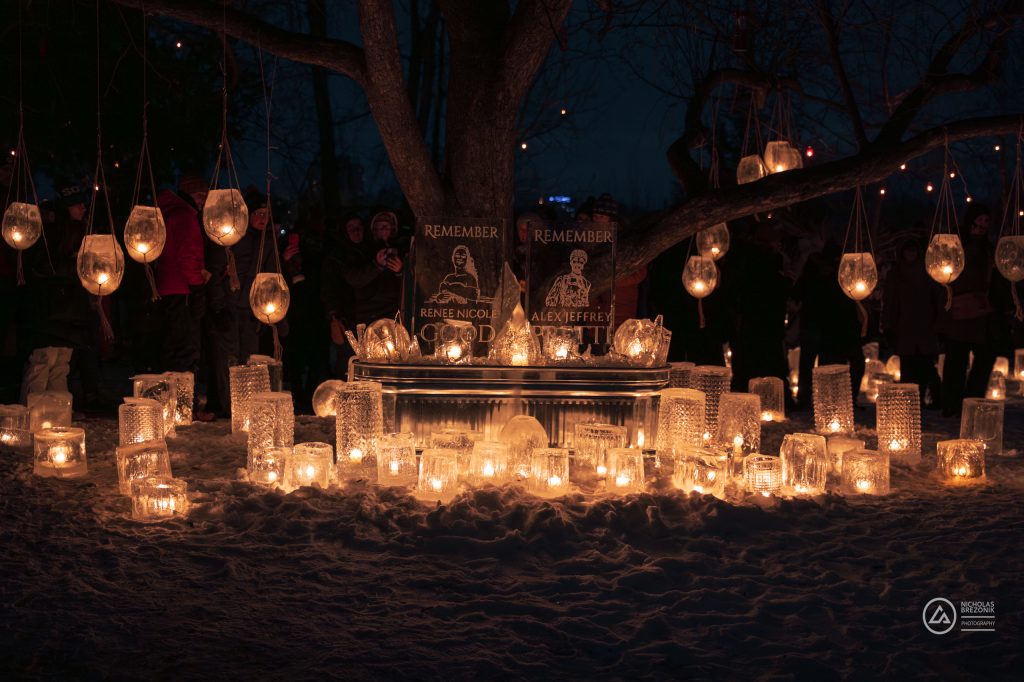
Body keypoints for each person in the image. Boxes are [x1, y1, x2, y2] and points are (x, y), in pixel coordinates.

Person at [938, 203, 1005, 416]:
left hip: (981, 309)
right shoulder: (958, 242)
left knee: (985, 356)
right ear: (972, 220)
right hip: (959, 307)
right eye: (981, 219)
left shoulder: (988, 247)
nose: (984, 224)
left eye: (987, 220)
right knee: (956, 359)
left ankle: (971, 401)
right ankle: (952, 403)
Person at [791, 242, 864, 408]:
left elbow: (797, 293)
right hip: (828, 327)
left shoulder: (815, 272)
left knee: (810, 364)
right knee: (826, 366)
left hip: (816, 325)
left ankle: (808, 399)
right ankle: (826, 400)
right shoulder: (836, 276)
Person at [155, 180, 208, 404]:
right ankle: (183, 404)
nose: (203, 201)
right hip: (182, 288)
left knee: (172, 348)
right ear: (188, 194)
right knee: (185, 349)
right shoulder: (185, 216)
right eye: (200, 196)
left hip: (167, 287)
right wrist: (198, 284)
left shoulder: (168, 214)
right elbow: (187, 255)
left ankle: (169, 401)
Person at [882, 235, 944, 406]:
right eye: (908, 251)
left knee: (926, 366)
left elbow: (937, 298)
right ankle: (911, 403)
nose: (911, 254)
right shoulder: (896, 274)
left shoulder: (927, 272)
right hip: (905, 328)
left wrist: (939, 323)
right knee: (909, 367)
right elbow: (889, 302)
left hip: (925, 326)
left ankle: (934, 398)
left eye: (914, 251)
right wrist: (888, 326)